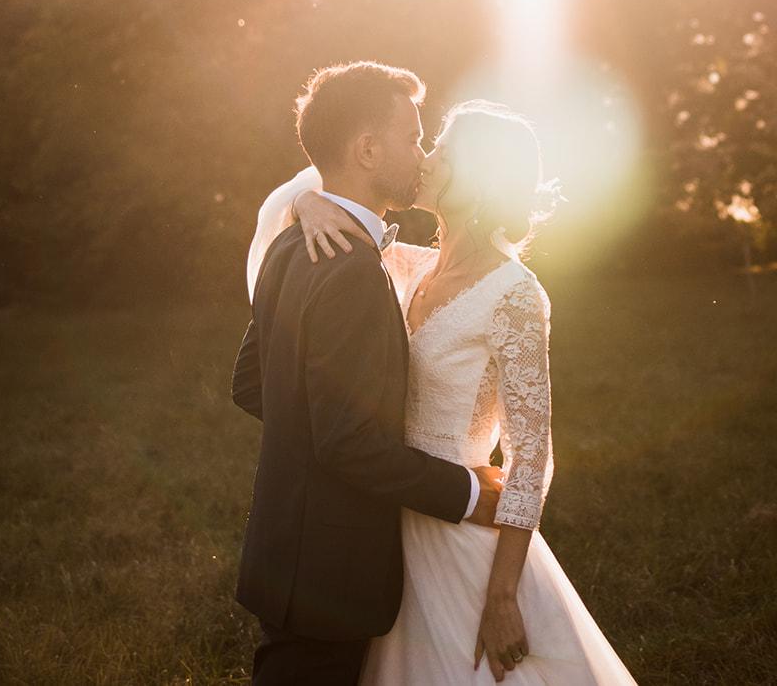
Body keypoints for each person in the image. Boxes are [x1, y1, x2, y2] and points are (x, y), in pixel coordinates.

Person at [241, 62, 637, 684]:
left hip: (461, 540)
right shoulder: (400, 264)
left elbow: (532, 456)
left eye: (439, 150)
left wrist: (503, 593)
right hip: (379, 523)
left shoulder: (514, 294)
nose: (423, 158)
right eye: (420, 142)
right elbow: (328, 211)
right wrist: (309, 201)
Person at [232, 61, 506, 685]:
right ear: (367, 148)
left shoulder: (292, 243)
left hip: (286, 553)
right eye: (412, 138)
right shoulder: (350, 266)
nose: (421, 154)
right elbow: (346, 440)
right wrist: (468, 492)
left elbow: (252, 380)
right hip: (331, 566)